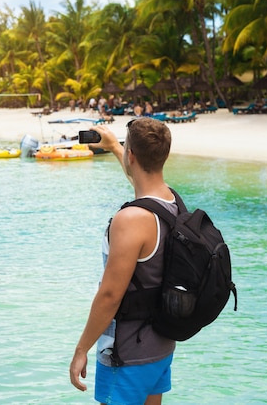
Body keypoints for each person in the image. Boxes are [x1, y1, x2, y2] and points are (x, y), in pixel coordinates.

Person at [69, 117, 177, 405]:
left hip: (126, 353)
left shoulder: (130, 220)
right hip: (161, 345)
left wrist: (82, 349)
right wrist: (116, 147)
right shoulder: (172, 203)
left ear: (133, 155)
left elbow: (110, 295)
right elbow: (141, 182)